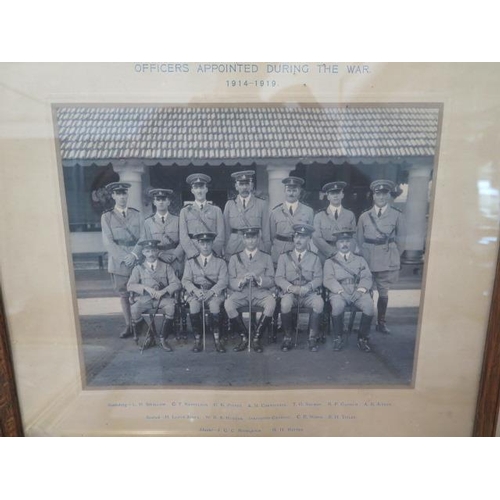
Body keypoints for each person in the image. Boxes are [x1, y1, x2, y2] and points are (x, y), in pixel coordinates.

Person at [357, 180, 406, 334]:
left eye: (384, 194)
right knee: (367, 291)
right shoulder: (365, 216)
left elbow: (402, 241)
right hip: (368, 258)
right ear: (373, 196)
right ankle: (367, 321)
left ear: (389, 195)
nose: (381, 197)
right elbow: (359, 239)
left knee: (383, 292)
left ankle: (381, 322)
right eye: (378, 194)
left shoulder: (397, 215)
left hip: (386, 258)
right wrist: (364, 255)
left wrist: (392, 255)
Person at [101, 182, 143, 338]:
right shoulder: (106, 216)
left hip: (136, 260)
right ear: (113, 196)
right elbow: (108, 241)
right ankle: (128, 325)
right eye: (118, 194)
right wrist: (124, 258)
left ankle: (139, 323)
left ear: (127, 195)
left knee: (138, 292)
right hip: (119, 263)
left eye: (124, 193)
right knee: (124, 295)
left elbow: (143, 237)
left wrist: (134, 255)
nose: (122, 197)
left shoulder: (137, 214)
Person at [224, 227, 276, 353]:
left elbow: (271, 279)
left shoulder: (266, 257)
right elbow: (231, 281)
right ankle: (245, 337)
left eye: (253, 238)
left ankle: (257, 338)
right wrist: (241, 281)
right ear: (243, 239)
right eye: (248, 238)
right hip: (242, 292)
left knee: (271, 303)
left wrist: (259, 279)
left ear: (258, 239)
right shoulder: (235, 258)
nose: (251, 241)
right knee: (228, 304)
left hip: (259, 292)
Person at [275, 223, 324, 352]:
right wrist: (290, 287)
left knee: (319, 303)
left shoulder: (314, 258)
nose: (298, 240)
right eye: (296, 237)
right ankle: (287, 337)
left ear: (309, 239)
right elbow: (279, 278)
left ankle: (312, 337)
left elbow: (319, 278)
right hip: (291, 293)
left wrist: (308, 286)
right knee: (285, 304)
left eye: (302, 237)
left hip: (307, 293)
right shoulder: (284, 257)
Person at [323, 231, 375, 352]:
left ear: (351, 243)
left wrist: (360, 290)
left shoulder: (360, 260)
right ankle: (338, 338)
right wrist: (341, 292)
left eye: (347, 241)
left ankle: (362, 339)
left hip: (358, 290)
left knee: (369, 307)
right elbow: (328, 279)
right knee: (337, 306)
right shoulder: (330, 261)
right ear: (336, 244)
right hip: (339, 292)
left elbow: (367, 277)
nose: (345, 244)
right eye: (341, 242)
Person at [127, 240, 181, 351]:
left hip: (163, 298)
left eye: (153, 251)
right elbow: (130, 285)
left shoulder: (166, 267)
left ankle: (162, 339)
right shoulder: (138, 268)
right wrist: (145, 288)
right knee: (134, 309)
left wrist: (164, 291)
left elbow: (177, 284)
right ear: (143, 253)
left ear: (157, 252)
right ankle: (149, 337)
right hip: (145, 298)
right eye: (147, 251)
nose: (151, 254)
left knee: (171, 307)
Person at [182, 232, 228, 353]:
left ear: (212, 243)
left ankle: (217, 339)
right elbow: (185, 280)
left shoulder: (221, 262)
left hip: (214, 293)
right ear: (198, 244)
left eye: (208, 243)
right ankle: (197, 339)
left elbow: (223, 281)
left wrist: (212, 291)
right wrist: (195, 291)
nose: (205, 246)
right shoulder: (191, 262)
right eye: (202, 243)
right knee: (194, 306)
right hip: (196, 293)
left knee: (214, 306)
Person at [223, 170, 271, 259]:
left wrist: (266, 250)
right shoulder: (229, 204)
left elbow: (266, 231)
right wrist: (226, 248)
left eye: (247, 184)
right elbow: (226, 231)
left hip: (256, 246)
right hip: (234, 247)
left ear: (252, 186)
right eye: (241, 184)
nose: (244, 187)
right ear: (236, 186)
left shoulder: (261, 204)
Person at [269, 176, 314, 266]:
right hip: (280, 250)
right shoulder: (275, 211)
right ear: (284, 191)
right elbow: (271, 235)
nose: (291, 194)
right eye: (289, 190)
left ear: (300, 191)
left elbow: (310, 234)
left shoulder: (308, 211)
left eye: (294, 191)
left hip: (300, 250)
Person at [179, 173, 225, 259]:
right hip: (192, 255)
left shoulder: (216, 210)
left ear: (206, 189)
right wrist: (193, 253)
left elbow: (221, 235)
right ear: (192, 190)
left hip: (212, 254)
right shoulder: (185, 211)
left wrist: (212, 252)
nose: (199, 191)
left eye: (201, 187)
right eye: (196, 188)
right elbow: (183, 236)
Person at [141, 188, 184, 277]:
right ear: (154, 202)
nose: (161, 202)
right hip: (157, 259)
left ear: (168, 202)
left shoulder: (178, 220)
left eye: (164, 199)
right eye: (158, 199)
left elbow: (183, 240)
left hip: (175, 259)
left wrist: (175, 255)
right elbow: (147, 244)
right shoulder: (148, 222)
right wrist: (160, 254)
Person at [313, 181, 357, 263]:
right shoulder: (319, 216)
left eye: (338, 193)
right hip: (325, 256)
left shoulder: (350, 215)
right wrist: (332, 252)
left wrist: (346, 254)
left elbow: (354, 238)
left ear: (342, 195)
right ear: (328, 196)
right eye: (332, 193)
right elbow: (316, 238)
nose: (335, 196)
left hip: (345, 256)